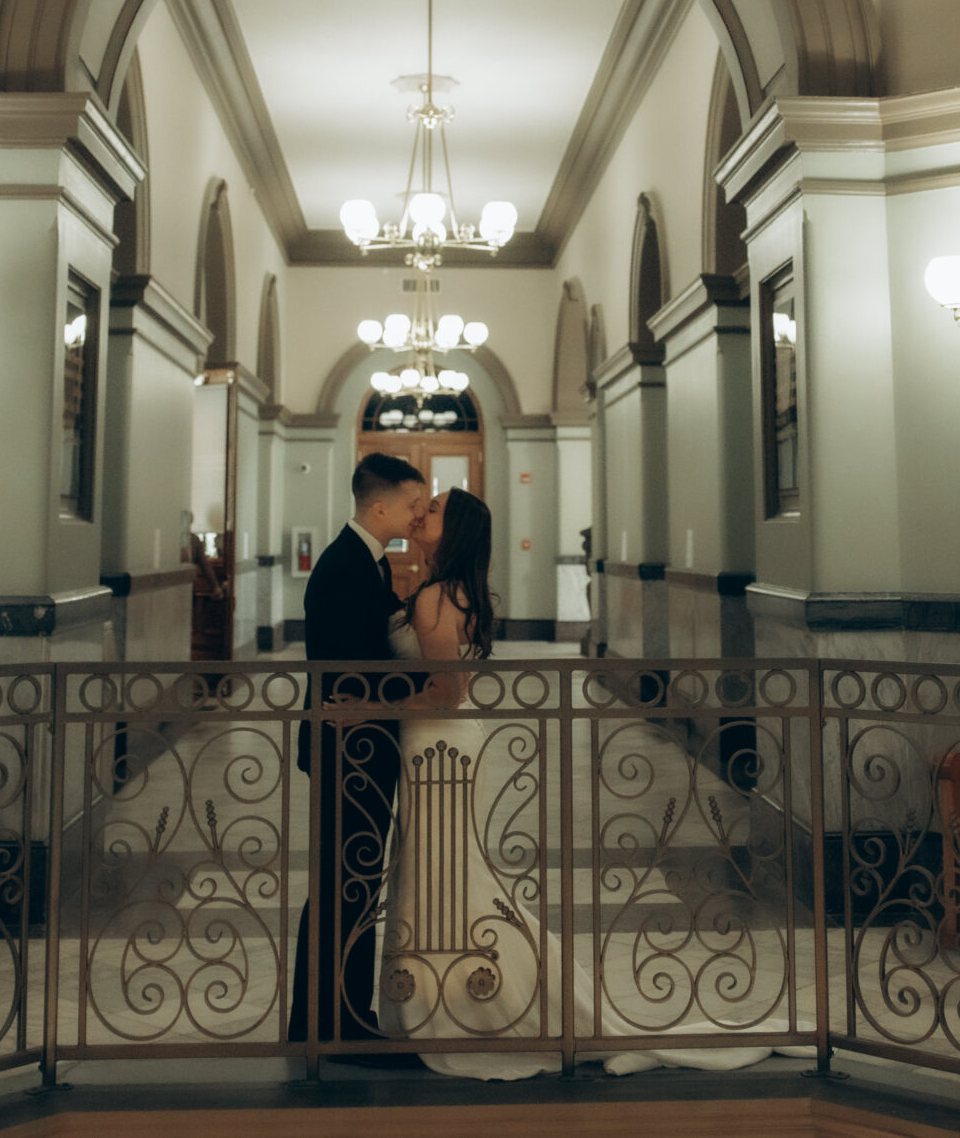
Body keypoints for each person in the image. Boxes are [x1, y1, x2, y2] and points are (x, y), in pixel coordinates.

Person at [377, 487, 779, 1080]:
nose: (421, 514)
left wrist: (372, 708)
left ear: (455, 530)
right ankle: (445, 989)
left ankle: (470, 996)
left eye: (433, 509)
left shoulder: (439, 596)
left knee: (443, 871)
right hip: (439, 743)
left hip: (438, 744)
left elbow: (447, 689)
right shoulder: (447, 590)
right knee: (438, 869)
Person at [287, 452, 428, 1064]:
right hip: (349, 746)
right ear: (380, 506)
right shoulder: (346, 566)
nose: (418, 513)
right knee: (344, 884)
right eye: (412, 504)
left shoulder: (365, 562)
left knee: (352, 883)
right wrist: (422, 693)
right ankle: (334, 1024)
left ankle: (330, 1018)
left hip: (361, 743)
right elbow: (351, 673)